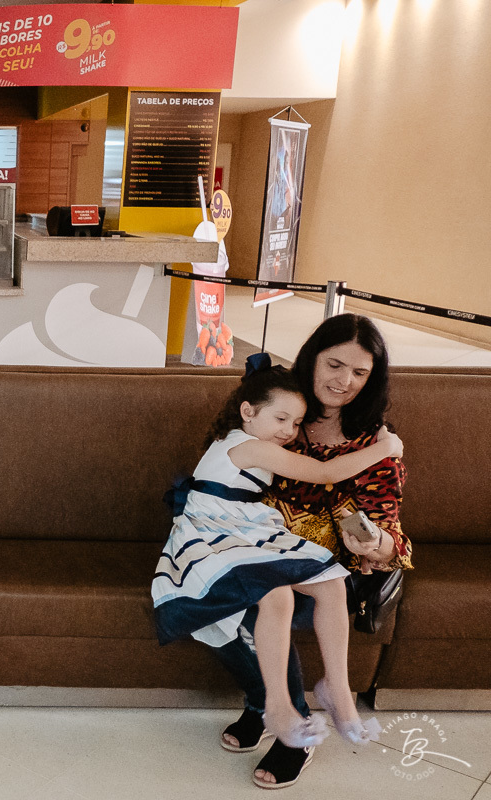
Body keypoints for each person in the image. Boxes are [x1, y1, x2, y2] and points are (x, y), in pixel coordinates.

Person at [153, 356, 400, 759]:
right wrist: (386, 447)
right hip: (213, 534)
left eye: (296, 423)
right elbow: (324, 474)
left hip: (245, 528)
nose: (289, 431)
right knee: (277, 595)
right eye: (281, 419)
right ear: (247, 412)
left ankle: (336, 688)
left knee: (332, 583)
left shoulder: (249, 440)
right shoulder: (247, 445)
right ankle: (278, 706)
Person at [213, 314, 414, 789]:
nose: (344, 381)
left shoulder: (375, 441)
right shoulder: (279, 414)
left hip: (331, 573)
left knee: (267, 596)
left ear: (372, 379)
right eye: (335, 364)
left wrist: (374, 542)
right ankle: (274, 709)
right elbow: (229, 480)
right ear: (312, 359)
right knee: (244, 593)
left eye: (360, 372)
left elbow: (387, 530)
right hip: (257, 549)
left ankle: (288, 726)